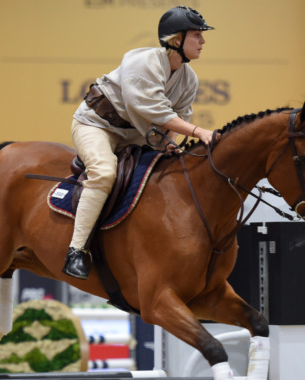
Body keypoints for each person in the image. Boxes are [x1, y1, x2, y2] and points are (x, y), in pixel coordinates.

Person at [63, 5, 217, 280]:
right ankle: (76, 251)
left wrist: (170, 142)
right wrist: (198, 132)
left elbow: (180, 116)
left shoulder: (188, 78)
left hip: (136, 136)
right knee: (104, 173)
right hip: (96, 125)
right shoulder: (143, 62)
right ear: (176, 39)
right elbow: (155, 111)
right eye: (197, 35)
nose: (203, 41)